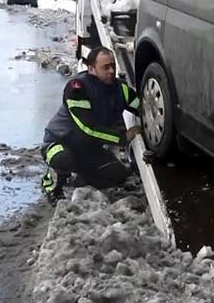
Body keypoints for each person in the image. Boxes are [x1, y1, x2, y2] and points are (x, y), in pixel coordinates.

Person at [41, 47, 142, 202]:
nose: (111, 71)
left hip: (88, 148)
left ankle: (82, 179)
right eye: (106, 67)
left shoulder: (121, 89)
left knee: (118, 174)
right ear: (91, 69)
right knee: (63, 159)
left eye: (113, 66)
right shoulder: (77, 89)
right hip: (60, 143)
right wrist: (123, 137)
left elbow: (142, 106)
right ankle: (54, 184)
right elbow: (88, 128)